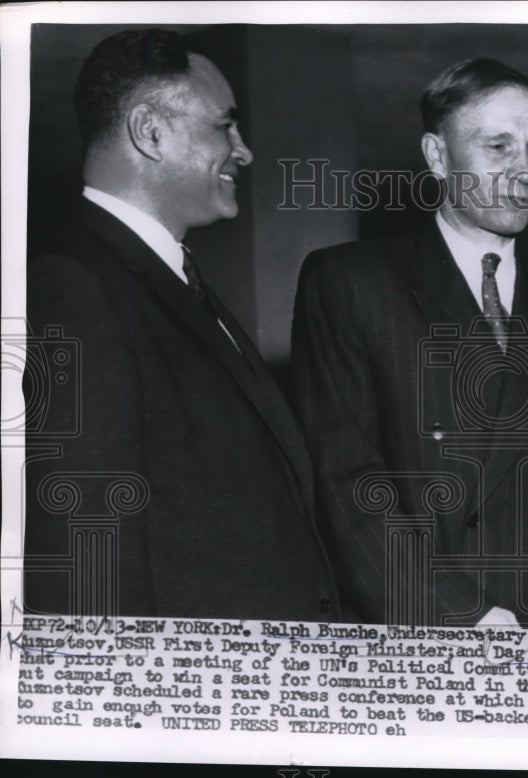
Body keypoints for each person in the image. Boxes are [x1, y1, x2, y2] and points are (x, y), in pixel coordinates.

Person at [293, 58, 528, 630]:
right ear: (438, 157)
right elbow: (345, 483)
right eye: (499, 147)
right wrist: (463, 616)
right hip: (429, 634)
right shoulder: (351, 282)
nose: (525, 172)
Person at [24, 29, 340, 621]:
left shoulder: (168, 278)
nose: (244, 150)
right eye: (225, 125)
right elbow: (87, 555)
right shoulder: (72, 285)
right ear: (150, 131)